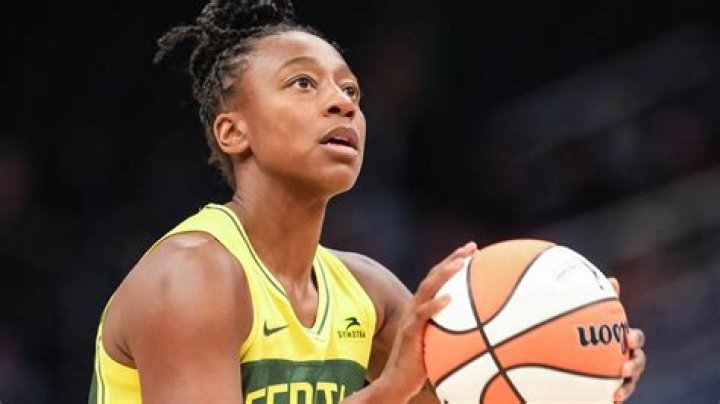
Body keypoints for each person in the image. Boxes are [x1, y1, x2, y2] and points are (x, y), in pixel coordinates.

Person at [88, 0, 646, 402]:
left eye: (350, 90)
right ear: (234, 132)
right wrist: (388, 390)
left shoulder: (366, 292)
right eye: (302, 83)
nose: (342, 104)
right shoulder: (191, 277)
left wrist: (578, 367)